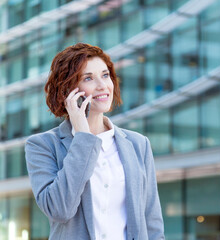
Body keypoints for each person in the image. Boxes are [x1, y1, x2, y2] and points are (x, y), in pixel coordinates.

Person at [25, 43, 165, 240]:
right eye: (88, 78)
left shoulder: (138, 144)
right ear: (69, 89)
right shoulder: (42, 145)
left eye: (105, 75)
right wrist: (83, 138)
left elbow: (152, 222)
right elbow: (59, 209)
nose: (102, 85)